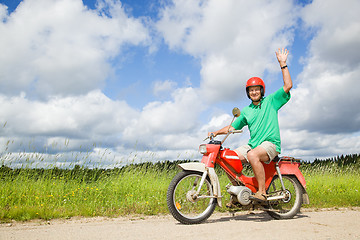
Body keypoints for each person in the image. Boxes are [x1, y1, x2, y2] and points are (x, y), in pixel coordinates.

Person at [208, 48, 292, 202]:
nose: (254, 92)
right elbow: (232, 127)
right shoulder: (246, 111)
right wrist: (215, 132)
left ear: (262, 91)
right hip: (253, 145)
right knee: (228, 157)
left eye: (256, 89)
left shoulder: (271, 101)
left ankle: (262, 192)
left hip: (270, 144)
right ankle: (238, 192)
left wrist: (283, 64)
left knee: (253, 155)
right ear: (248, 93)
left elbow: (287, 86)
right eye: (251, 90)